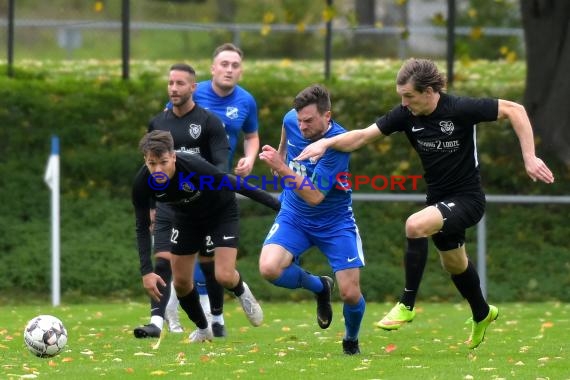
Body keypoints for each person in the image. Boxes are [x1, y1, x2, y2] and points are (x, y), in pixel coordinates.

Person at [295, 58, 555, 349]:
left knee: (414, 225)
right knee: (455, 264)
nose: (404, 103)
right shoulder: (406, 115)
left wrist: (529, 157)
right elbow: (363, 137)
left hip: (467, 198)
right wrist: (326, 143)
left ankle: (406, 304)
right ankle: (482, 312)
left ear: (430, 91)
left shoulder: (459, 109)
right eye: (401, 97)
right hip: (439, 200)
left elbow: (514, 109)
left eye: (409, 96)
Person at [132, 63, 267, 340]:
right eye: (151, 163)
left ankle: (239, 294)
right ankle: (202, 328)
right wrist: (145, 271)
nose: (157, 169)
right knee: (180, 281)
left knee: (222, 274)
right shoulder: (144, 176)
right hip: (182, 212)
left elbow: (228, 178)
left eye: (163, 162)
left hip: (216, 207)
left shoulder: (200, 143)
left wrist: (278, 205)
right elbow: (140, 226)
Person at [258, 84, 366, 355]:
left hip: (335, 223)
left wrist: (280, 168)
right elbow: (286, 132)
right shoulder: (292, 120)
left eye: (309, 121)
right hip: (294, 216)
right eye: (300, 120)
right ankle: (320, 287)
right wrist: (281, 154)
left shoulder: (338, 145)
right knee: (269, 268)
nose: (302, 126)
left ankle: (351, 340)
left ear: (327, 116)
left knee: (351, 294)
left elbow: (316, 195)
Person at [163, 43, 260, 337]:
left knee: (215, 266)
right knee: (183, 259)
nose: (230, 69)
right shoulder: (191, 92)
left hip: (216, 189)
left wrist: (249, 159)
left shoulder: (246, 101)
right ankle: (197, 316)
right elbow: (165, 135)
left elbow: (251, 136)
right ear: (212, 68)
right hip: (181, 191)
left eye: (235, 65)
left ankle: (215, 315)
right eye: (225, 64)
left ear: (240, 71)